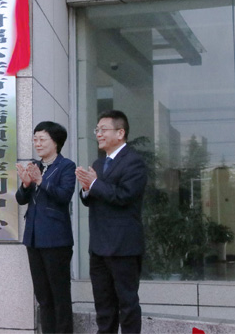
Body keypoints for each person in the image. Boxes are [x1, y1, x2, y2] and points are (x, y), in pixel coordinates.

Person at [76, 110, 147, 334]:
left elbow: (124, 196)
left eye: (103, 129)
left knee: (127, 305)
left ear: (120, 133)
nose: (98, 134)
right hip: (99, 246)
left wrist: (95, 185)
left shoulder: (134, 162)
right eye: (97, 130)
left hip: (123, 246)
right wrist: (86, 189)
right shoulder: (98, 164)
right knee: (103, 306)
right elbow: (92, 199)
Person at [15, 121, 76, 334]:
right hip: (33, 239)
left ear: (55, 142)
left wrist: (41, 181)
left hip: (56, 240)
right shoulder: (35, 165)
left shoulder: (66, 166)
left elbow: (64, 196)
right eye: (35, 139)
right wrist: (25, 184)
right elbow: (21, 199)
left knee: (60, 295)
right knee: (43, 296)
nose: (37, 144)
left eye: (42, 139)